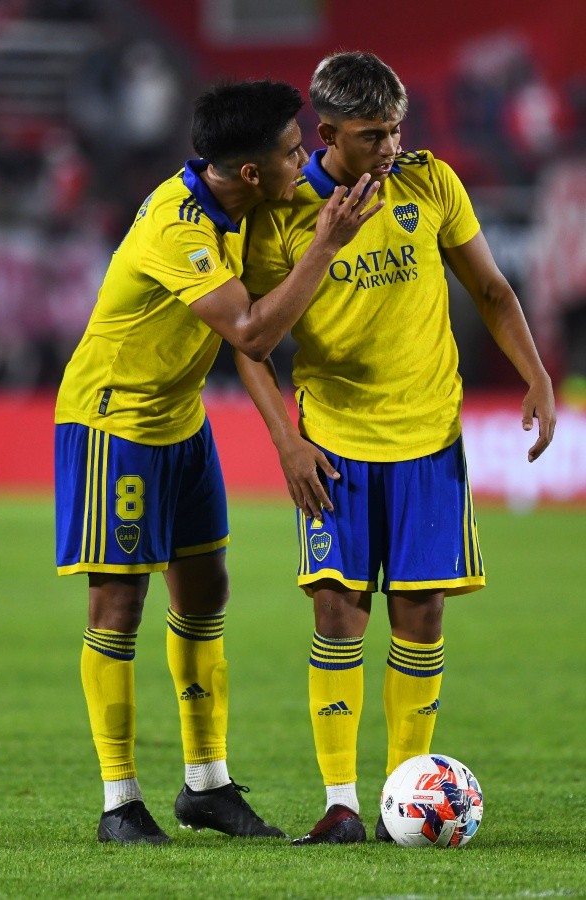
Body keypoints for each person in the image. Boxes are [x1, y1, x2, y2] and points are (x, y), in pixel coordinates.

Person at [235, 52, 556, 845]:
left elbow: (491, 289)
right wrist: (286, 443)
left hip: (428, 438)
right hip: (336, 442)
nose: (391, 147)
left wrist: (537, 376)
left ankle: (400, 798)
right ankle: (341, 803)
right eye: (373, 135)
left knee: (420, 614)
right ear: (327, 132)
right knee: (337, 611)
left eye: (396, 130)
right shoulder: (281, 212)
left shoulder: (430, 182)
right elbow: (251, 342)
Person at [54, 78, 383, 845]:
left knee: (206, 592)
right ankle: (119, 802)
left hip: (181, 418)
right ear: (251, 171)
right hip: (114, 421)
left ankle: (206, 785)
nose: (303, 162)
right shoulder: (180, 227)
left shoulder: (244, 201)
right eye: (293, 152)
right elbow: (252, 333)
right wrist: (327, 244)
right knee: (118, 605)